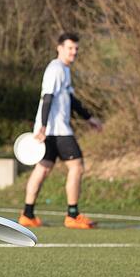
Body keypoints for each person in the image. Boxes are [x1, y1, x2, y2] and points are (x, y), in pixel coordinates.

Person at [19, 32, 103, 230]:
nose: (74, 52)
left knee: (43, 168)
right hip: (56, 130)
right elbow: (47, 97)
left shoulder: (64, 70)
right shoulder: (55, 69)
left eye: (76, 48)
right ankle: (72, 215)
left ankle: (27, 214)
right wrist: (43, 126)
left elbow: (72, 100)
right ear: (60, 48)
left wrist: (89, 118)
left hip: (52, 129)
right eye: (70, 48)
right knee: (77, 166)